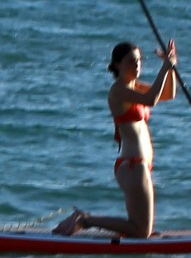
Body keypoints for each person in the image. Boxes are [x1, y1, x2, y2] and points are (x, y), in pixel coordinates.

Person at [55, 39, 178, 238]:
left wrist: (171, 66)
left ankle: (87, 221)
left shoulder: (135, 86)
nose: (137, 64)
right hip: (132, 165)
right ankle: (85, 220)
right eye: (131, 61)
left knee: (139, 229)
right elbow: (151, 100)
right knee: (141, 231)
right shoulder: (118, 90)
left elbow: (167, 94)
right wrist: (164, 69)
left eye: (139, 61)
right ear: (117, 65)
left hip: (140, 166)